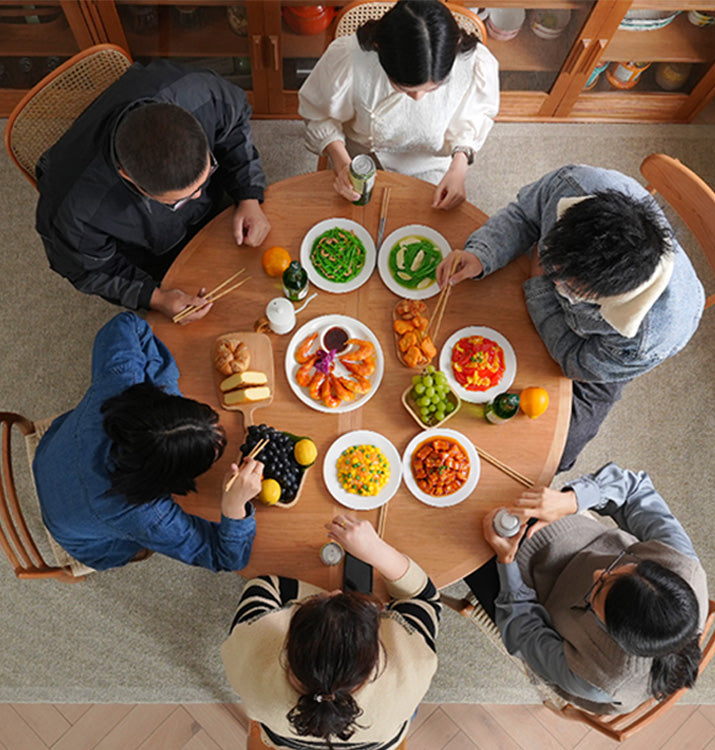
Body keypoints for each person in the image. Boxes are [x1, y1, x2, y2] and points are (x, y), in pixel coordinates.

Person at [436, 164, 705, 471]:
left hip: (598, 354)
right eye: (553, 261)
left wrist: (538, 284)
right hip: (553, 279)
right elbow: (526, 216)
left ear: (607, 295)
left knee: (554, 454)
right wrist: (482, 253)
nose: (555, 280)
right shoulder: (577, 184)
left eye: (568, 286)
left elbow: (576, 363)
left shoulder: (652, 336)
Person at [36, 59, 270, 324]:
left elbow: (235, 127)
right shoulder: (73, 211)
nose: (198, 196)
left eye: (205, 175)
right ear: (127, 176)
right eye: (178, 200)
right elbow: (91, 270)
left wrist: (248, 195)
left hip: (226, 207)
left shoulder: (198, 92)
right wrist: (156, 298)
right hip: (154, 257)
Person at [466, 463, 708, 714]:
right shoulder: (681, 566)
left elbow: (524, 634)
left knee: (456, 542)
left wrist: (507, 561)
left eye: (598, 590)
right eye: (618, 566)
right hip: (571, 534)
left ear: (608, 629)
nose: (598, 572)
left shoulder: (598, 679)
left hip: (531, 600)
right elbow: (634, 489)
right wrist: (572, 501)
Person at [32, 312, 263, 571]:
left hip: (50, 454)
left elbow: (126, 323)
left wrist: (166, 393)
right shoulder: (146, 516)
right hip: (80, 538)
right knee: (129, 543)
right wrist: (233, 506)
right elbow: (228, 558)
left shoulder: (120, 385)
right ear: (172, 477)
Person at [222, 515, 441, 748]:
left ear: (287, 643)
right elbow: (422, 595)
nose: (337, 591)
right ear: (376, 653)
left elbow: (263, 586)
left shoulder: (250, 656)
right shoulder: (413, 666)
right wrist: (376, 550)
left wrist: (316, 599)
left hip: (281, 735)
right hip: (380, 734)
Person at [298, 0, 499, 210]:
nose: (418, 98)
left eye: (432, 89)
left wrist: (458, 169)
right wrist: (341, 163)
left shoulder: (473, 65)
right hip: (360, 162)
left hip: (430, 167)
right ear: (380, 51)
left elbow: (474, 120)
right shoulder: (350, 60)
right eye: (404, 88)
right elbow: (318, 114)